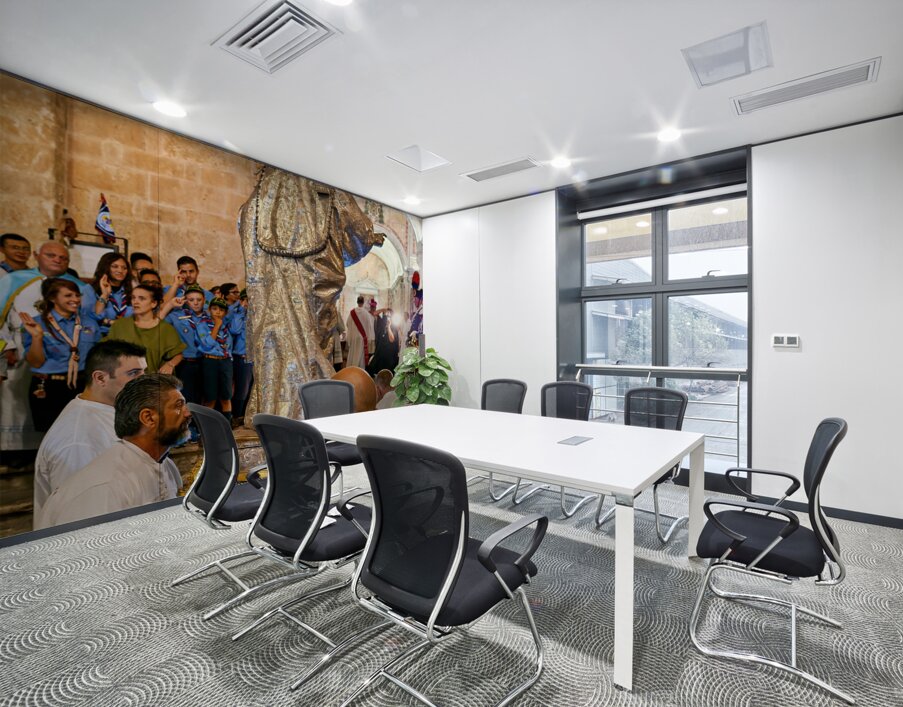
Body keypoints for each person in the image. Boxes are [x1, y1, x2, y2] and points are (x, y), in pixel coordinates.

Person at [38, 374, 188, 528]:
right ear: (148, 418)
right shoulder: (104, 488)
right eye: (178, 406)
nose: (188, 413)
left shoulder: (165, 464)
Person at [32, 339, 147, 529]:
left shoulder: (105, 412)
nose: (144, 381)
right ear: (100, 378)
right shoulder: (78, 441)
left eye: (144, 371)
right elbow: (79, 516)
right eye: (134, 373)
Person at [0, 240, 94, 453]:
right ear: (37, 255)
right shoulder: (14, 280)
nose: (57, 260)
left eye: (63, 258)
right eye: (51, 255)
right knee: (18, 406)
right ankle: (15, 449)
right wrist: (8, 346)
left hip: (71, 369)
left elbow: (89, 322)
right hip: (22, 348)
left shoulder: (79, 286)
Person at [19, 278, 100, 431]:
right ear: (52, 298)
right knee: (52, 435)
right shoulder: (36, 324)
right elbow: (36, 363)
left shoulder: (89, 323)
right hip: (50, 387)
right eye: (68, 296)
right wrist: (37, 337)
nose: (75, 299)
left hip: (82, 385)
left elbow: (96, 357)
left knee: (83, 432)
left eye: (77, 295)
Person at [105, 283, 185, 374]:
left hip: (152, 382)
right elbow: (105, 350)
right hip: (123, 381)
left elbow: (178, 354)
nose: (135, 302)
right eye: (133, 298)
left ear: (153, 303)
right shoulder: (120, 325)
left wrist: (170, 365)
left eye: (141, 298)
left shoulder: (166, 329)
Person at [165, 284, 206, 408]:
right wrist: (171, 305)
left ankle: (200, 423)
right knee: (186, 396)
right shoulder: (176, 315)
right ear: (185, 301)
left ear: (204, 300)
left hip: (205, 360)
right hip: (185, 362)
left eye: (199, 300)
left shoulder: (209, 317)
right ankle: (187, 424)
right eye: (191, 300)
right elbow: (159, 321)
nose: (195, 303)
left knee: (203, 395)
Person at [198, 297, 233, 423]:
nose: (218, 312)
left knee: (226, 397)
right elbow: (207, 344)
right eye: (214, 309)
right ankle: (207, 427)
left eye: (221, 310)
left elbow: (228, 345)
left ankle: (227, 426)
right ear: (209, 310)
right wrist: (217, 326)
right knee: (210, 398)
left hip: (225, 361)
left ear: (225, 313)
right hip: (210, 362)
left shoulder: (226, 327)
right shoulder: (202, 325)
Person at [91, 251, 133, 334]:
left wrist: (107, 321)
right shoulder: (90, 290)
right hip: (103, 336)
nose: (120, 270)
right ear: (105, 268)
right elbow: (94, 317)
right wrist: (105, 294)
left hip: (128, 336)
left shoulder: (130, 292)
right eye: (115, 266)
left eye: (124, 268)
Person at [229, 287, 253, 426]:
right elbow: (235, 329)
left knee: (251, 389)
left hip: (254, 359)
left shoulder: (258, 317)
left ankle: (246, 415)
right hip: (241, 357)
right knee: (242, 389)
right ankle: (237, 415)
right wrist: (241, 311)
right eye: (247, 300)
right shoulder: (238, 315)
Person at [344, 294, 374, 369]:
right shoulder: (366, 314)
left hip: (353, 338)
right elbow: (369, 326)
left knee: (353, 355)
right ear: (363, 303)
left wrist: (354, 330)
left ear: (357, 302)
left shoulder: (352, 313)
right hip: (362, 339)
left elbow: (347, 324)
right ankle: (359, 373)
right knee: (361, 358)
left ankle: (351, 371)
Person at [367, 307, 400, 375]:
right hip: (381, 351)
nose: (387, 316)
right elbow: (374, 313)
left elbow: (392, 339)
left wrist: (388, 327)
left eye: (389, 315)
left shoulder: (393, 326)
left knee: (388, 373)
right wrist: (383, 310)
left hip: (389, 354)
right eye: (386, 314)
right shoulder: (382, 322)